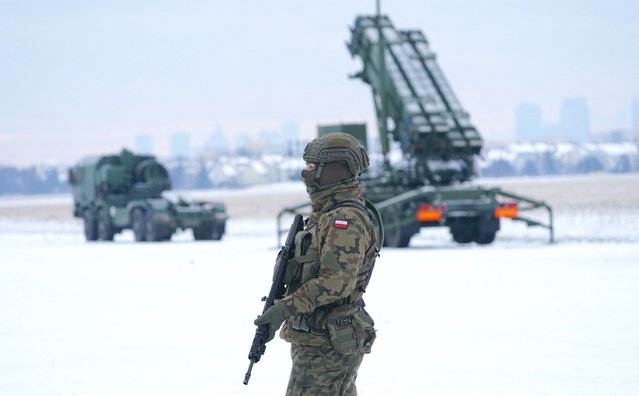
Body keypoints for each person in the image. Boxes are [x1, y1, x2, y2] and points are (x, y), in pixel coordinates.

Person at [254, 132, 381, 395]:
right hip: (317, 337)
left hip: (328, 342)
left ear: (334, 170)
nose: (305, 173)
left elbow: (335, 284)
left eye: (312, 167)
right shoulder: (326, 215)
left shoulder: (344, 220)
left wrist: (281, 310)